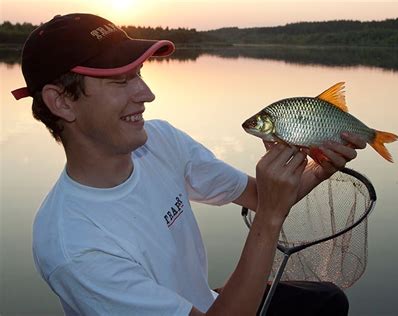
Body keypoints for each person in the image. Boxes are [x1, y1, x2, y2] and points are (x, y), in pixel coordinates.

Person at [12, 13, 366, 316]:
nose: (147, 94)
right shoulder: (74, 246)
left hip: (210, 303)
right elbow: (268, 209)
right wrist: (270, 218)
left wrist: (321, 166)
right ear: (61, 102)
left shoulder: (160, 141)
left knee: (329, 302)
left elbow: (261, 196)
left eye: (139, 74)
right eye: (121, 80)